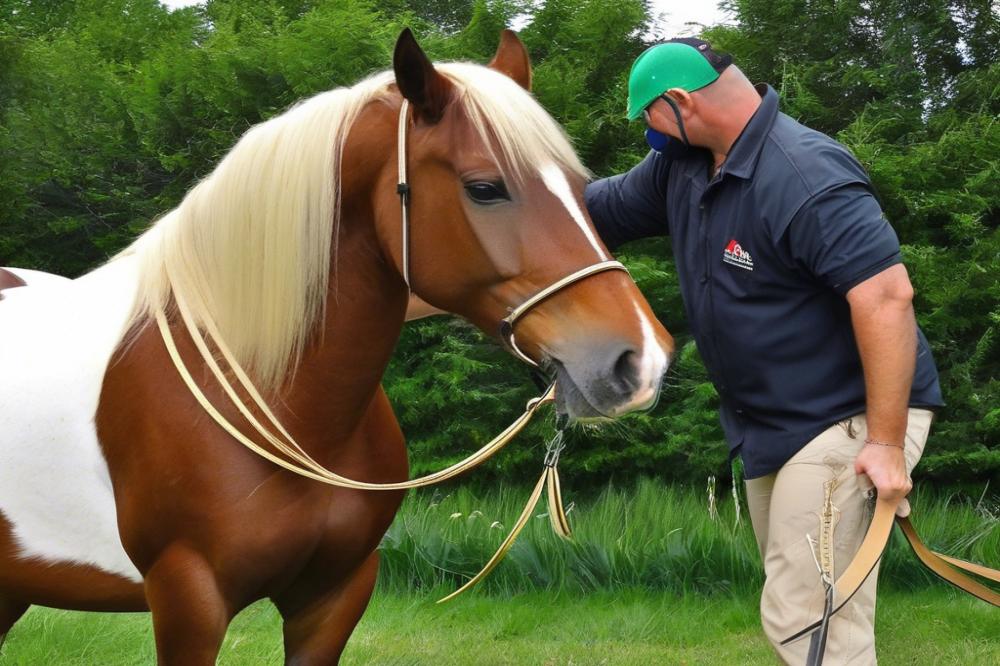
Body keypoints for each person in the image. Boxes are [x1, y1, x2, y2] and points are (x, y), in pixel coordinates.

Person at [584, 37, 944, 664]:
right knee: (808, 604)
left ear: (677, 103)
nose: (647, 132)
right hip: (769, 428)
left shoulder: (805, 174)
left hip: (848, 418)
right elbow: (595, 211)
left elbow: (887, 297)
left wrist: (886, 445)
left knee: (809, 619)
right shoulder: (684, 165)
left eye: (646, 117)